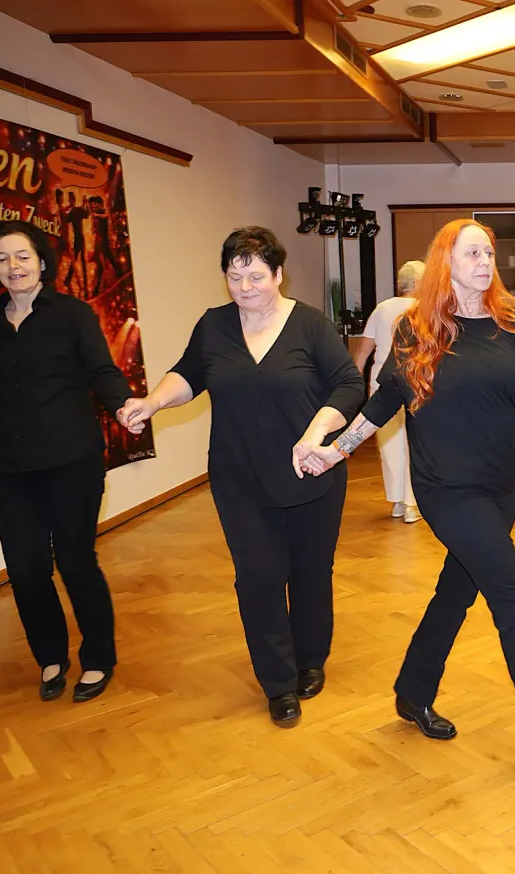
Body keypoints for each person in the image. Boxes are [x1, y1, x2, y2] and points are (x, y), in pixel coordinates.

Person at [293, 219, 515, 778]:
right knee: (513, 599)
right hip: (446, 489)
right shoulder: (419, 329)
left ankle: (412, 691)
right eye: (472, 253)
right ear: (446, 261)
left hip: (499, 486)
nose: (484, 262)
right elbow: (385, 400)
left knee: (454, 593)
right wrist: (337, 450)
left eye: (489, 252)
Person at [117, 227, 364, 727]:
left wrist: (317, 433)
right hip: (240, 476)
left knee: (311, 572)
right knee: (258, 577)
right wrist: (152, 402)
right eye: (236, 277)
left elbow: (349, 384)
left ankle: (310, 659)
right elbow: (188, 374)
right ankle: (278, 682)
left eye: (256, 276)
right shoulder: (214, 326)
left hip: (309, 469)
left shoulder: (310, 325)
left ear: (278, 275)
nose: (246, 286)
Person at [0, 220, 132, 702]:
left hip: (70, 461)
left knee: (76, 562)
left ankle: (98, 657)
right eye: (1, 258)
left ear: (41, 261)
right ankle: (51, 657)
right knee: (25, 568)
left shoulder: (73, 315)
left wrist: (123, 405)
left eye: (21, 256)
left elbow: (102, 370)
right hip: (8, 466)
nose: (12, 266)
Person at [354, 261, 424, 524]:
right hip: (415, 383)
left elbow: (363, 352)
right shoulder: (424, 309)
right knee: (414, 442)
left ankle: (397, 501)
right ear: (418, 284)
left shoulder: (382, 308)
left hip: (381, 383)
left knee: (389, 443)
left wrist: (353, 385)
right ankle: (411, 504)